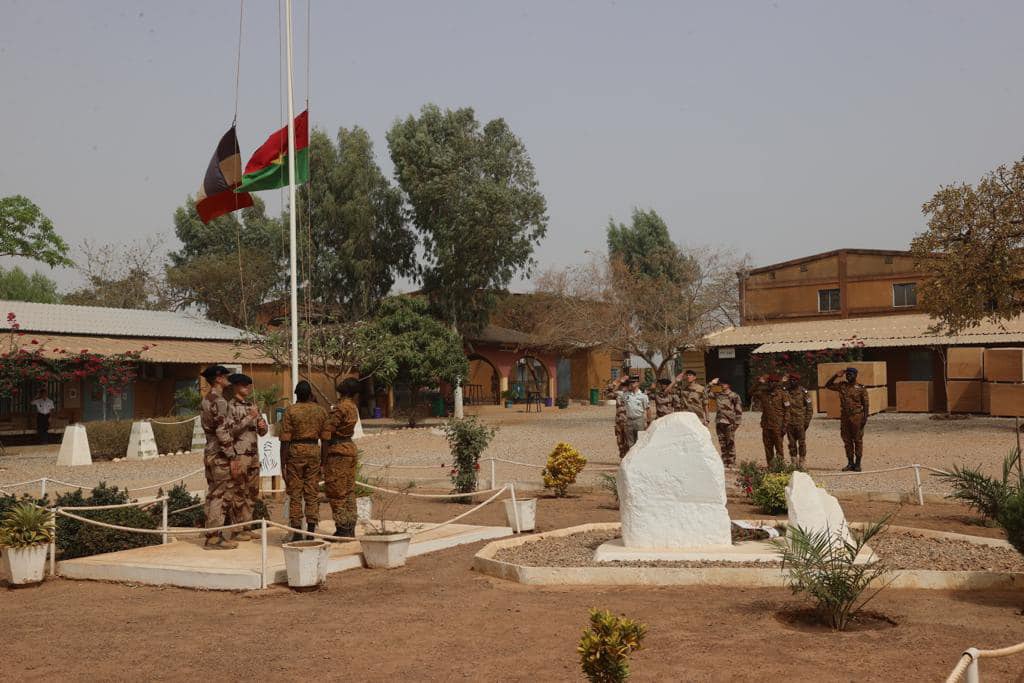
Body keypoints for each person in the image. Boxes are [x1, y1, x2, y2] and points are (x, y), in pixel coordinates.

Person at [280, 380, 328, 541]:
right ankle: (311, 531)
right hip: (314, 452)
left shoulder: (290, 411)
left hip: (294, 453)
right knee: (312, 493)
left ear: (296, 395)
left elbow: (285, 440)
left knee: (295, 494)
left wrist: (282, 464)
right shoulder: (320, 411)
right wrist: (323, 462)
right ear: (310, 394)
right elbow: (326, 440)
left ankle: (297, 532)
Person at [199, 365, 240, 550]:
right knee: (219, 495)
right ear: (218, 379)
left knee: (212, 493)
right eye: (225, 376)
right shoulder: (220, 401)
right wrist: (232, 456)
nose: (227, 379)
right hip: (220, 454)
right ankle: (214, 537)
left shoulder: (206, 399)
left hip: (209, 451)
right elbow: (222, 431)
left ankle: (211, 533)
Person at [226, 373, 268, 540]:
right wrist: (250, 417)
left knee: (252, 492)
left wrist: (262, 425)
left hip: (254, 454)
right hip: (240, 454)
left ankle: (247, 526)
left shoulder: (252, 405)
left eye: (248, 385)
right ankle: (236, 529)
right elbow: (231, 431)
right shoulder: (230, 407)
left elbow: (262, 432)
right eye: (244, 385)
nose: (247, 388)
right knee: (238, 491)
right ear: (236, 386)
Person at [321, 378, 361, 539]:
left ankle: (342, 529)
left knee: (336, 491)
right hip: (349, 448)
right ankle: (350, 527)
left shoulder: (341, 408)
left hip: (337, 452)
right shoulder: (353, 407)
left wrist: (323, 458)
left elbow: (327, 432)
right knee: (349, 491)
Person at [824, 367, 869, 471]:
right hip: (845, 417)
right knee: (847, 440)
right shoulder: (842, 386)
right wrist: (836, 375)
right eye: (847, 374)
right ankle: (850, 463)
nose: (848, 376)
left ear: (855, 375)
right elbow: (828, 385)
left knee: (857, 440)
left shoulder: (861, 388)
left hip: (856, 417)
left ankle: (858, 464)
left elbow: (866, 404)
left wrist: (865, 418)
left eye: (851, 374)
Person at [751, 374, 787, 467]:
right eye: (769, 382)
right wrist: (758, 383)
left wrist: (785, 426)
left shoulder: (782, 394)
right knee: (768, 447)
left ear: (777, 383)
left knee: (779, 447)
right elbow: (751, 392)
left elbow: (787, 411)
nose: (771, 384)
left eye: (773, 382)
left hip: (778, 426)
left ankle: (779, 467)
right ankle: (771, 466)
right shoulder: (763, 393)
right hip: (766, 425)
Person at [705, 378, 742, 466]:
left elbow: (738, 410)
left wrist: (737, 422)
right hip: (720, 421)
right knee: (722, 442)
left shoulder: (734, 396)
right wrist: (711, 383)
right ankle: (725, 461)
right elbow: (705, 393)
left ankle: (731, 461)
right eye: (721, 384)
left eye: (724, 383)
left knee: (730, 442)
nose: (722, 385)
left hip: (730, 422)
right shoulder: (718, 394)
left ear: (729, 385)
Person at [783, 373, 814, 468]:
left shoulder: (804, 392)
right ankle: (793, 461)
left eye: (794, 380)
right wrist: (782, 381)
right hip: (789, 422)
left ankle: (802, 461)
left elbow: (809, 408)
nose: (792, 382)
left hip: (800, 422)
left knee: (801, 443)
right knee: (791, 443)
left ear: (798, 381)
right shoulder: (785, 391)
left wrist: (807, 422)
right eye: (791, 380)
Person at [612, 376, 649, 453]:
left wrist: (647, 422)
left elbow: (647, 409)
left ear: (638, 383)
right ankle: (632, 459)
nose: (632, 384)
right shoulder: (626, 395)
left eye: (634, 382)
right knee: (630, 444)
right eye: (630, 383)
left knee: (640, 442)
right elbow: (613, 391)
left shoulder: (643, 396)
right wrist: (620, 382)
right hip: (629, 421)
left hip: (639, 420)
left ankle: (639, 458)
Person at [603, 372, 631, 458]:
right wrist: (617, 382)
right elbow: (606, 393)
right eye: (623, 385)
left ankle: (630, 459)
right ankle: (623, 458)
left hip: (630, 422)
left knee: (630, 442)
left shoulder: (635, 395)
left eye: (626, 385)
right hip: (619, 422)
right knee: (620, 442)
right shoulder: (618, 394)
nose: (624, 387)